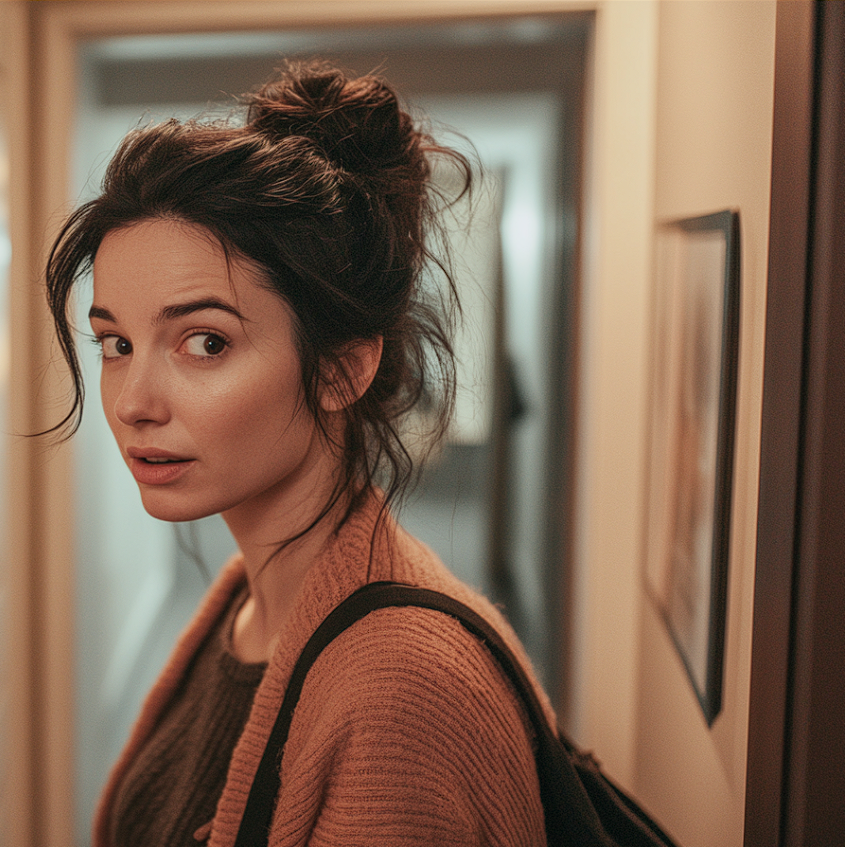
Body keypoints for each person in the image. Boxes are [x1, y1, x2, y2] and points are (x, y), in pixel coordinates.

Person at [45, 60, 556, 847]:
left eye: (205, 341)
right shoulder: (251, 600)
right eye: (116, 342)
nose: (132, 402)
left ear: (343, 367)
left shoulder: (404, 694)